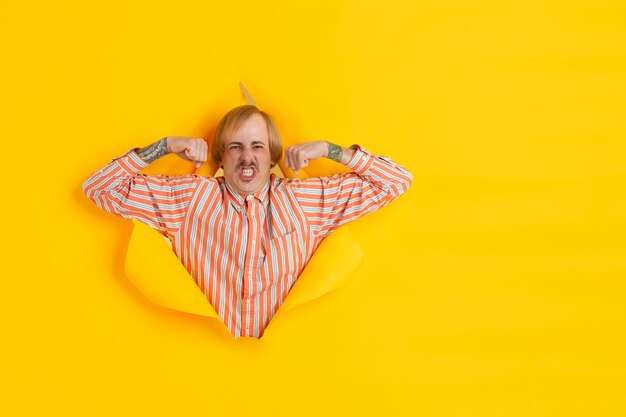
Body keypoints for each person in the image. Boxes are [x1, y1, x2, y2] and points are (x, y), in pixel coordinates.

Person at [83, 105, 412, 338]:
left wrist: (330, 150)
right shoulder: (187, 199)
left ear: (272, 155)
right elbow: (98, 188)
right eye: (235, 146)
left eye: (257, 146)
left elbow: (395, 182)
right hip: (202, 373)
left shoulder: (306, 200)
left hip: (289, 373)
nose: (246, 156)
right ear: (221, 156)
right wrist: (165, 146)